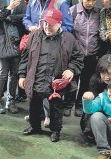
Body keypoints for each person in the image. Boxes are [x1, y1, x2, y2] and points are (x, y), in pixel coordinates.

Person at [19, 8, 83, 142]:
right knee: (33, 105)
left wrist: (71, 69)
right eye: (45, 23)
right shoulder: (34, 35)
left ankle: (55, 131)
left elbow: (78, 57)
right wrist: (22, 75)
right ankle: (34, 127)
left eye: (51, 24)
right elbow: (25, 57)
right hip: (36, 79)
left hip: (56, 83)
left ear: (59, 24)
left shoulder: (68, 39)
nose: (47, 27)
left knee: (56, 108)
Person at [67, 0, 102, 117]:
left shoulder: (98, 13)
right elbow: (68, 33)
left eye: (94, 0)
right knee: (72, 80)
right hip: (76, 55)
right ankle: (68, 104)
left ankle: (79, 105)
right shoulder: (73, 11)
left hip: (92, 55)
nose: (91, 3)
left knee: (86, 81)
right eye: (88, 0)